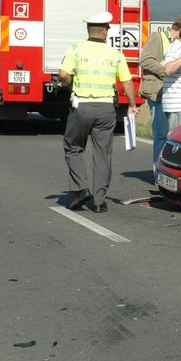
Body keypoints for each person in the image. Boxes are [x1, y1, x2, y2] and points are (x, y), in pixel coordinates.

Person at [59, 11, 139, 213]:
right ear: (104, 31)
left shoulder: (76, 49)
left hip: (82, 106)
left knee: (73, 148)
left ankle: (80, 189)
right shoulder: (115, 53)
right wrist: (131, 104)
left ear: (89, 31)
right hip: (106, 109)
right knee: (103, 154)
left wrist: (71, 85)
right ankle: (99, 201)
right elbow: (127, 82)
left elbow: (63, 74)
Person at [140, 15, 181, 173]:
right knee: (162, 134)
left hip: (174, 95)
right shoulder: (158, 38)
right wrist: (166, 69)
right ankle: (159, 173)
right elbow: (145, 60)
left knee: (174, 135)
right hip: (158, 93)